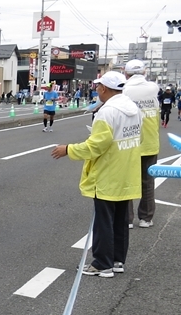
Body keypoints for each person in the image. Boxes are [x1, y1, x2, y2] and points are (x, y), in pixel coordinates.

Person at [51, 71, 142, 277]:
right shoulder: (133, 108)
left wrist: (68, 149)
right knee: (120, 220)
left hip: (108, 173)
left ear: (105, 88)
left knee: (103, 221)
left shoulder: (107, 112)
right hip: (127, 171)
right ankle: (117, 260)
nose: (97, 89)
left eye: (98, 86)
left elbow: (95, 146)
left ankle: (102, 264)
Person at [122, 59, 160, 229]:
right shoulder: (154, 88)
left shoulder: (123, 89)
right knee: (148, 181)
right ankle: (145, 218)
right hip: (150, 140)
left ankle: (127, 219)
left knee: (127, 180)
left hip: (129, 140)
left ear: (125, 73)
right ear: (145, 72)